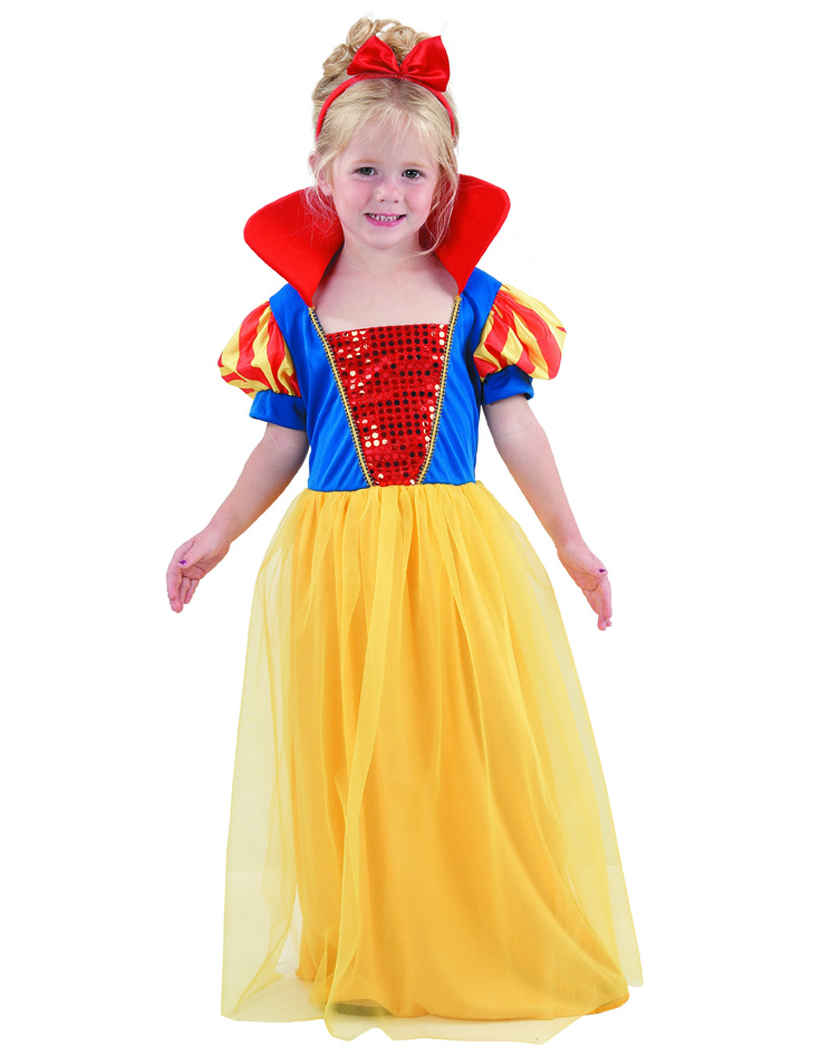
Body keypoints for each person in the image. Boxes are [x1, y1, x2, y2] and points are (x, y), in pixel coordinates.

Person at [166, 16, 642, 1045]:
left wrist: (570, 541)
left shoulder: (472, 300)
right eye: (366, 170)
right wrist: (215, 535)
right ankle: (373, 945)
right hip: (336, 563)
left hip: (452, 559)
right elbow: (280, 444)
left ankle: (466, 933)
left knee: (457, 746)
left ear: (443, 184)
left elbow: (517, 427)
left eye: (412, 175)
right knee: (355, 757)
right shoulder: (295, 311)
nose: (387, 192)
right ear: (322, 177)